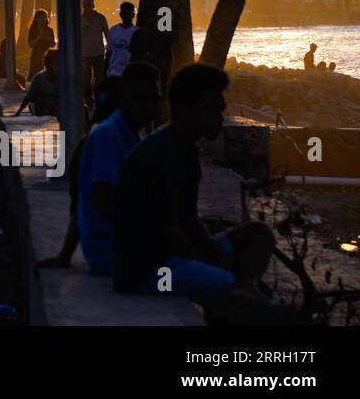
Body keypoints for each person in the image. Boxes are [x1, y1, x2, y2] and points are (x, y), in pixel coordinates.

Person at [113, 63, 276, 316]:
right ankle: (241, 295)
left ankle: (246, 287)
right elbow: (168, 231)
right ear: (184, 108)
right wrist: (215, 264)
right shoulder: (160, 154)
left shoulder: (185, 149)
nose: (220, 118)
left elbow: (189, 219)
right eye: (212, 109)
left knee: (258, 233)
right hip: (150, 268)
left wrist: (213, 255)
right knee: (235, 291)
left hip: (173, 254)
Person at [76, 61, 161, 275]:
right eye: (140, 99)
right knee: (222, 283)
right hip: (116, 254)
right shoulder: (109, 137)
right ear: (124, 98)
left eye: (154, 100)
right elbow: (103, 201)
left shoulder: (132, 137)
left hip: (131, 249)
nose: (149, 108)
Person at [96, 1, 139, 122]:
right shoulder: (113, 31)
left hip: (130, 73)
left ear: (133, 15)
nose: (127, 15)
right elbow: (109, 52)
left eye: (130, 13)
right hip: (114, 72)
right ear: (120, 14)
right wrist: (105, 71)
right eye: (124, 13)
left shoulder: (137, 32)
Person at [14, 48, 60, 117]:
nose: (59, 67)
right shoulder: (39, 78)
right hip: (39, 107)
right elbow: (29, 97)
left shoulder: (64, 78)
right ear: (48, 65)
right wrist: (18, 112)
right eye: (56, 64)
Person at [80, 0, 110, 100]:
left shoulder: (101, 18)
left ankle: (100, 98)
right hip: (84, 54)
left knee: (100, 78)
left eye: (89, 5)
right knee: (85, 79)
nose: (87, 7)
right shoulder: (80, 19)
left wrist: (109, 49)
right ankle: (88, 100)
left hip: (98, 53)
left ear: (93, 5)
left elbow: (107, 34)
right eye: (85, 5)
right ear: (83, 6)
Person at [27, 9, 56, 79]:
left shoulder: (49, 30)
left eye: (44, 18)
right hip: (36, 55)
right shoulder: (33, 30)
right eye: (41, 18)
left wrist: (48, 39)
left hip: (47, 55)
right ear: (36, 19)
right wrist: (39, 36)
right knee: (36, 75)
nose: (43, 20)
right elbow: (31, 44)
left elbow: (53, 44)